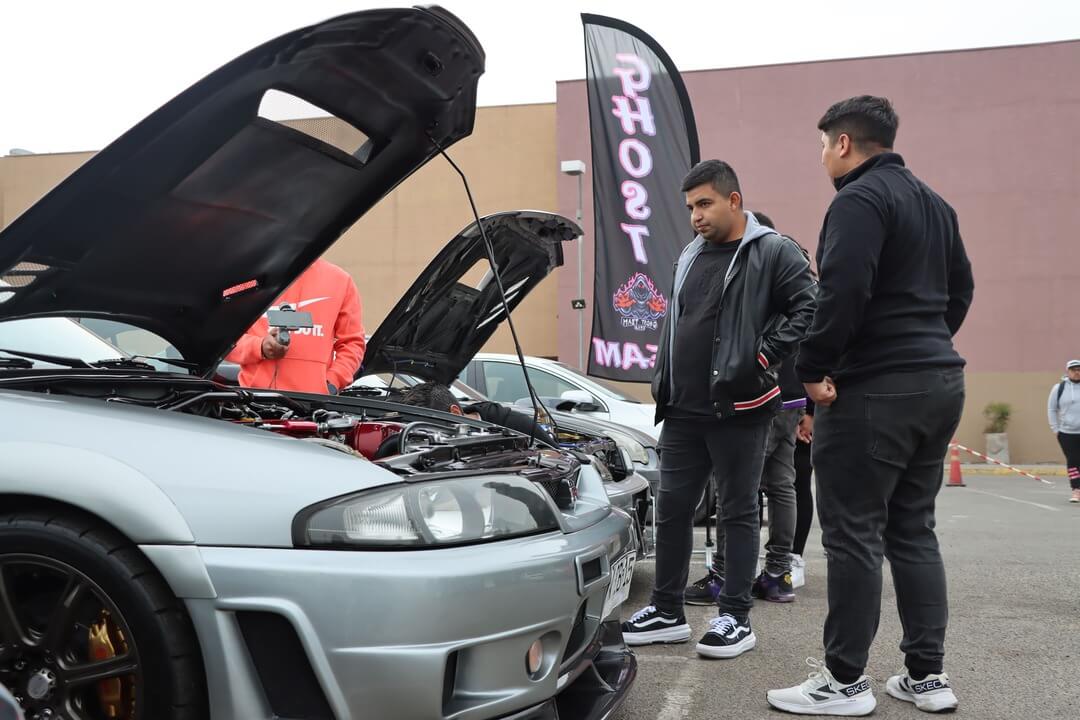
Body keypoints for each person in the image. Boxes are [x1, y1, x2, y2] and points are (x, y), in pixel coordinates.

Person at [768, 96, 974, 716]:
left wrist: (812, 366)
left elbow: (843, 289)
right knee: (913, 529)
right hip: (939, 382)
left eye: (823, 144)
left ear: (844, 144)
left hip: (875, 389)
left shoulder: (857, 199)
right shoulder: (936, 204)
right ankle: (926, 676)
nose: (822, 155)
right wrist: (926, 343)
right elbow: (961, 288)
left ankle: (844, 681)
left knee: (854, 533)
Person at [620, 160, 816, 660]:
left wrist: (764, 355)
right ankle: (666, 611)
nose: (695, 217)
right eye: (690, 207)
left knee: (738, 512)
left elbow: (810, 307)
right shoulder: (690, 253)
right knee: (672, 512)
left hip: (742, 407)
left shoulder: (774, 250)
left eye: (704, 204)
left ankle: (735, 616)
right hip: (683, 408)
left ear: (733, 200)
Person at [684, 212, 810, 606]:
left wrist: (759, 359)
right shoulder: (796, 267)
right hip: (791, 394)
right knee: (782, 483)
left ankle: (724, 573)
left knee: (735, 485)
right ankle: (777, 575)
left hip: (759, 390)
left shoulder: (759, 266)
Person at [226, 258, 365, 395]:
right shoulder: (246, 279)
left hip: (314, 405)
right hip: (255, 401)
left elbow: (353, 343)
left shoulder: (340, 280)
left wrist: (332, 382)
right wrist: (259, 346)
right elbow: (220, 341)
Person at [397, 380, 559, 447]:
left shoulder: (515, 425)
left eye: (439, 430)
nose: (436, 438)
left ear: (454, 412)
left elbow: (557, 456)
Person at [1048, 359, 1080, 503]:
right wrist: (1055, 429)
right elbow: (1052, 409)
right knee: (1073, 461)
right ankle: (1076, 490)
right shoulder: (1059, 388)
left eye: (1079, 369)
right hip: (1066, 433)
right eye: (1074, 370)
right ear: (1068, 372)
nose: (1077, 372)